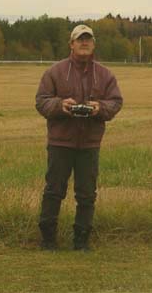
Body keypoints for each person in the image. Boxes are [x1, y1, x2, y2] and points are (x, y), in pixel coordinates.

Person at [35, 24, 123, 251]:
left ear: (94, 44)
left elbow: (116, 102)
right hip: (60, 142)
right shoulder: (55, 72)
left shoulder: (105, 75)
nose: (84, 42)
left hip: (89, 143)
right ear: (71, 44)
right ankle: (47, 241)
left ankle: (81, 241)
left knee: (86, 195)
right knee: (54, 191)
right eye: (80, 39)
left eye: (88, 39)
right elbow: (41, 101)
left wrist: (99, 108)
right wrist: (60, 105)